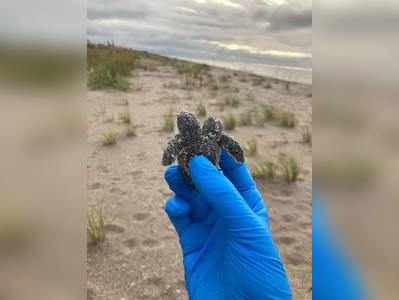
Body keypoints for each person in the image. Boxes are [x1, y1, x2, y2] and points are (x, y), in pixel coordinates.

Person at [163, 150, 292, 300]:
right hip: (198, 169)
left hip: (197, 168)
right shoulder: (196, 141)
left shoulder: (187, 143)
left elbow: (172, 150)